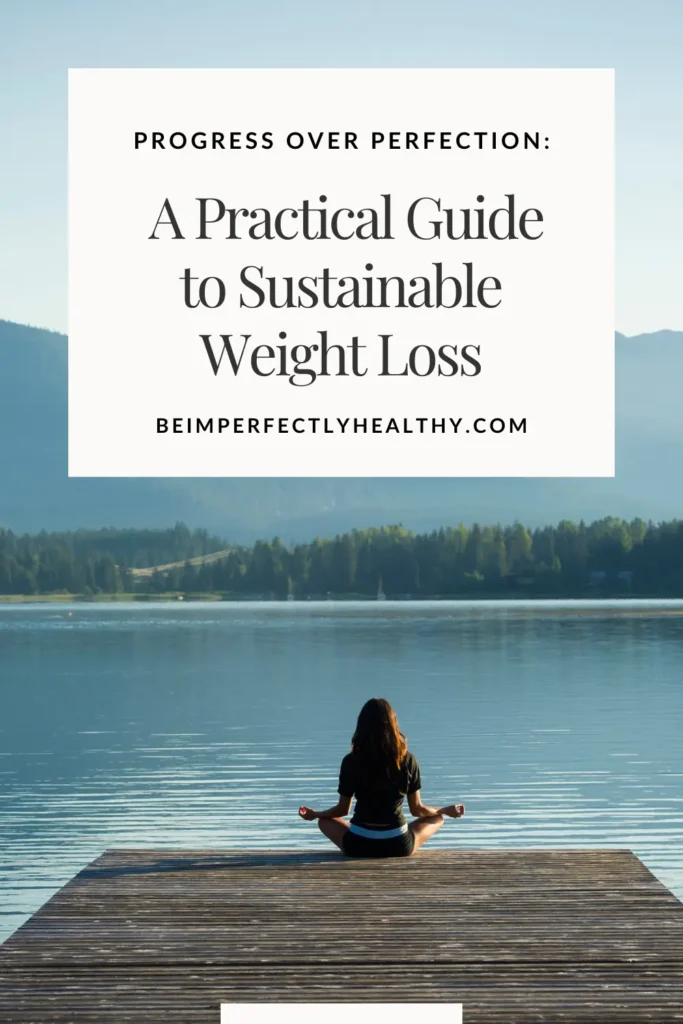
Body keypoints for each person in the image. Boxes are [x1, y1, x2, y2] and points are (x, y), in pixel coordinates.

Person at [298, 697, 465, 857]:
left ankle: (360, 836)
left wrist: (316, 814)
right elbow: (417, 810)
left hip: (358, 845)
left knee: (325, 821)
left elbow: (342, 810)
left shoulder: (351, 760)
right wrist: (444, 810)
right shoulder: (407, 760)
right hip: (398, 845)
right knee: (437, 818)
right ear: (393, 725)